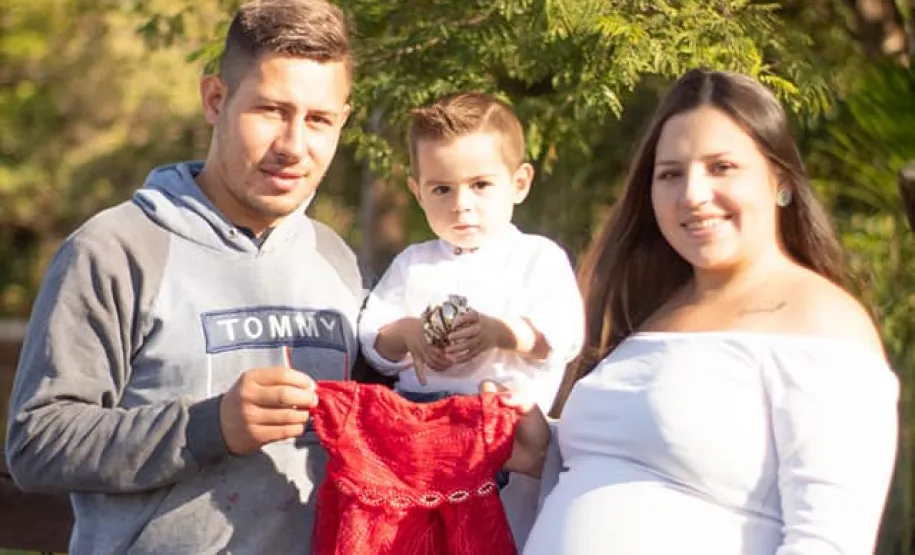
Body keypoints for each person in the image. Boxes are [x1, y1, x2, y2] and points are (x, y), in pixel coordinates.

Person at [4, 1, 361, 553]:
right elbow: (37, 444)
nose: (294, 145)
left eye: (319, 120)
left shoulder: (335, 258)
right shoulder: (116, 249)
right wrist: (210, 424)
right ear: (215, 99)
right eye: (270, 109)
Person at [503, 68, 900, 555]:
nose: (692, 194)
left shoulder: (821, 321)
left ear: (780, 180)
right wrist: (535, 456)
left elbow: (830, 540)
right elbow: (601, 481)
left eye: (721, 167)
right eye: (670, 173)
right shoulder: (649, 315)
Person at [357, 91, 584, 547]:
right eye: (442, 188)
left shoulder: (535, 258)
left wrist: (501, 333)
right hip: (422, 439)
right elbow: (372, 341)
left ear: (519, 183)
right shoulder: (413, 263)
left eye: (480, 185)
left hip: (507, 440)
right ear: (417, 191)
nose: (461, 204)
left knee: (500, 536)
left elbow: (562, 337)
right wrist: (405, 333)